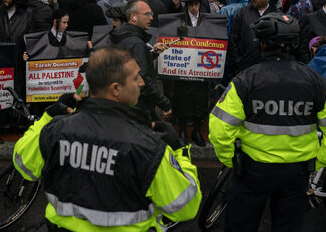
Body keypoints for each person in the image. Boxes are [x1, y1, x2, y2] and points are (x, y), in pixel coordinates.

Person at [13, 46, 202, 231]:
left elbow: (23, 163)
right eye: (136, 77)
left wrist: (49, 116)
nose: (142, 83)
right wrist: (179, 151)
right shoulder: (148, 146)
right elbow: (185, 206)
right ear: (116, 89)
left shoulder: (58, 129)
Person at [209, 13, 326, 232]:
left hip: (251, 170)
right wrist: (317, 162)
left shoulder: (245, 80)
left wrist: (231, 161)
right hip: (296, 173)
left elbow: (219, 129)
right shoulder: (316, 81)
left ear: (262, 44)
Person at [163, 0, 214, 146]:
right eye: (191, 4)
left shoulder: (208, 20)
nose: (194, 8)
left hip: (201, 69)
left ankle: (197, 131)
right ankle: (183, 131)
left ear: (199, 4)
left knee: (200, 102)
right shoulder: (178, 19)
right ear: (186, 5)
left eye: (196, 4)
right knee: (181, 101)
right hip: (183, 69)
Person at [110, 0, 172, 120]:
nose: (151, 18)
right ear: (133, 17)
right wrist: (164, 103)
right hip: (138, 106)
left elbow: (131, 63)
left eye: (151, 14)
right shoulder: (136, 43)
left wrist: (151, 54)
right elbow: (142, 79)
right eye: (147, 14)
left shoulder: (125, 37)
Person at [228, 0, 280, 75]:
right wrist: (238, 61)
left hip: (269, 68)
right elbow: (234, 38)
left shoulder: (276, 14)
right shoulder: (243, 13)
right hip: (245, 66)